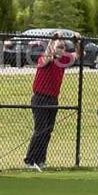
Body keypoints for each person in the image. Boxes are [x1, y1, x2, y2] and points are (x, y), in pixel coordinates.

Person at [23, 34, 79, 171]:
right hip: (40, 98)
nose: (61, 50)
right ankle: (30, 160)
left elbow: (78, 54)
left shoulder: (64, 59)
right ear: (53, 48)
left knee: (48, 131)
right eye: (58, 47)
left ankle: (41, 160)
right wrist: (52, 41)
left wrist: (77, 41)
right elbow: (47, 57)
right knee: (40, 130)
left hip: (53, 99)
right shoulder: (45, 58)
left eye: (63, 47)